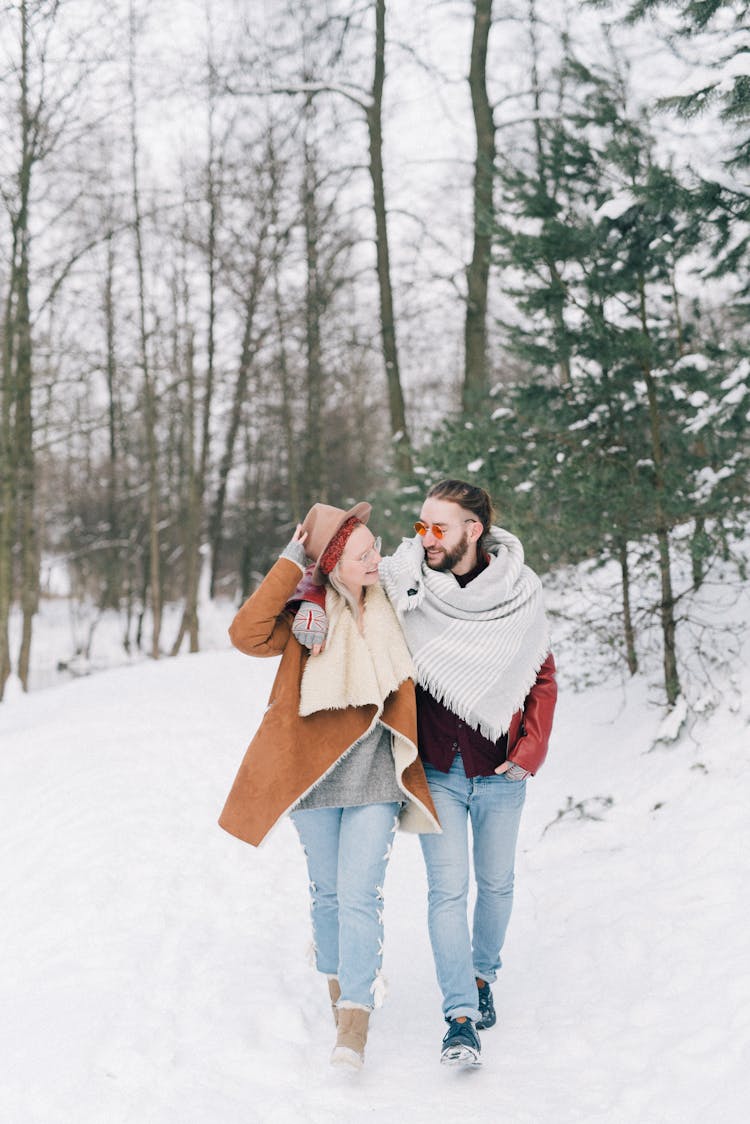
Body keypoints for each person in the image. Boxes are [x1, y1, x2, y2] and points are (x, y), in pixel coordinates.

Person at [292, 480, 557, 1067]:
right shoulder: (404, 578)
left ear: (473, 530)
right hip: (437, 766)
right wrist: (309, 593)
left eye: (439, 528)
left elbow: (541, 675)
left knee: (497, 886)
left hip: (501, 767)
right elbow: (338, 573)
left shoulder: (519, 592)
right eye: (420, 526)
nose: (426, 538)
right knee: (447, 892)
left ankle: (482, 975)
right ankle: (459, 1016)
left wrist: (530, 751)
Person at [219, 501, 440, 1070]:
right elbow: (245, 634)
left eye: (376, 547)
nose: (375, 557)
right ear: (335, 561)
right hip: (311, 774)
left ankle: (355, 1019)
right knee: (329, 893)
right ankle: (340, 980)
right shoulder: (304, 615)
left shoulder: (396, 599)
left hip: (375, 772)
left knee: (361, 892)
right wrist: (294, 564)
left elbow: (428, 559)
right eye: (363, 552)